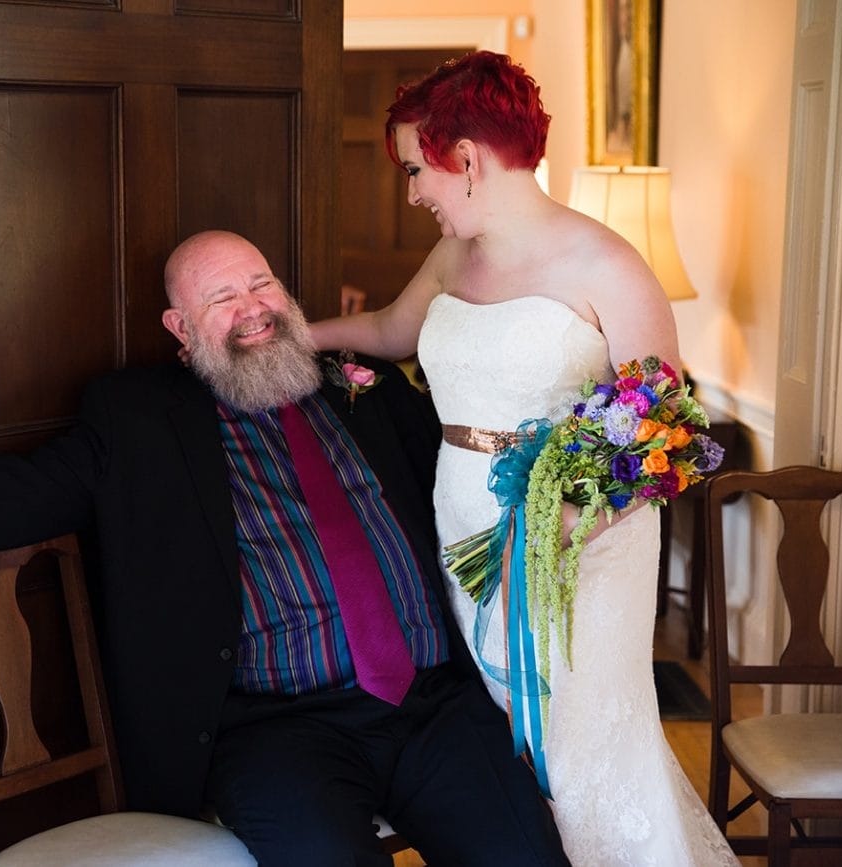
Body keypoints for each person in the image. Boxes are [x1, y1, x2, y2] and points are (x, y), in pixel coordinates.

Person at [0, 229, 569, 866]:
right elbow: (11, 491)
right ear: (180, 330)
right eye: (222, 300)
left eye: (262, 284)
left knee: (528, 852)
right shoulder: (139, 419)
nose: (253, 310)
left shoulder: (359, 389)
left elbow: (468, 460)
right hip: (280, 729)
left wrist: (580, 476)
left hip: (432, 703)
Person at [309, 52, 738, 866]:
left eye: (415, 170)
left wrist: (569, 516)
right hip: (462, 524)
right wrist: (300, 335)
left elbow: (667, 433)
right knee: (490, 744)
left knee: (574, 743)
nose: (413, 194)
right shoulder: (451, 257)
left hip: (579, 543)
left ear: (464, 158)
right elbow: (391, 334)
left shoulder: (606, 264)